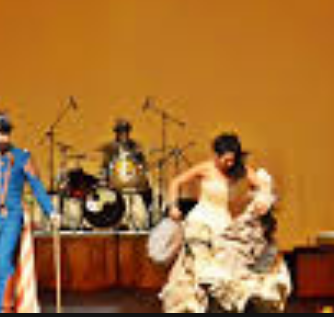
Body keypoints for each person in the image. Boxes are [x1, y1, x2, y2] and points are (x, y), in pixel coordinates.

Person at [161, 133, 291, 312]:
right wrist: (173, 206)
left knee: (228, 263)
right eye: (226, 160)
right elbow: (175, 182)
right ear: (216, 155)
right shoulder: (205, 168)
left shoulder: (240, 170)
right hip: (201, 219)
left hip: (223, 222)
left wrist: (262, 199)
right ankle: (196, 304)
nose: (229, 164)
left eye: (232, 160)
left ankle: (225, 303)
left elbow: (263, 186)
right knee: (198, 260)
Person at [0, 110, 59, 313]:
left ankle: (4, 309)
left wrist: (51, 211)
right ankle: (2, 307)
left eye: (3, 133)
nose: (0, 137)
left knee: (4, 261)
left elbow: (36, 185)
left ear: (9, 134)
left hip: (10, 217)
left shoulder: (22, 157)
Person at [100, 119, 150, 230]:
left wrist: (143, 176)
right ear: (116, 133)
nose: (123, 134)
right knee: (119, 219)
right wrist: (104, 182)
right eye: (120, 131)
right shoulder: (111, 150)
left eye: (125, 131)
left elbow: (143, 167)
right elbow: (104, 169)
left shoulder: (136, 148)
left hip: (134, 187)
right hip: (117, 189)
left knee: (140, 219)